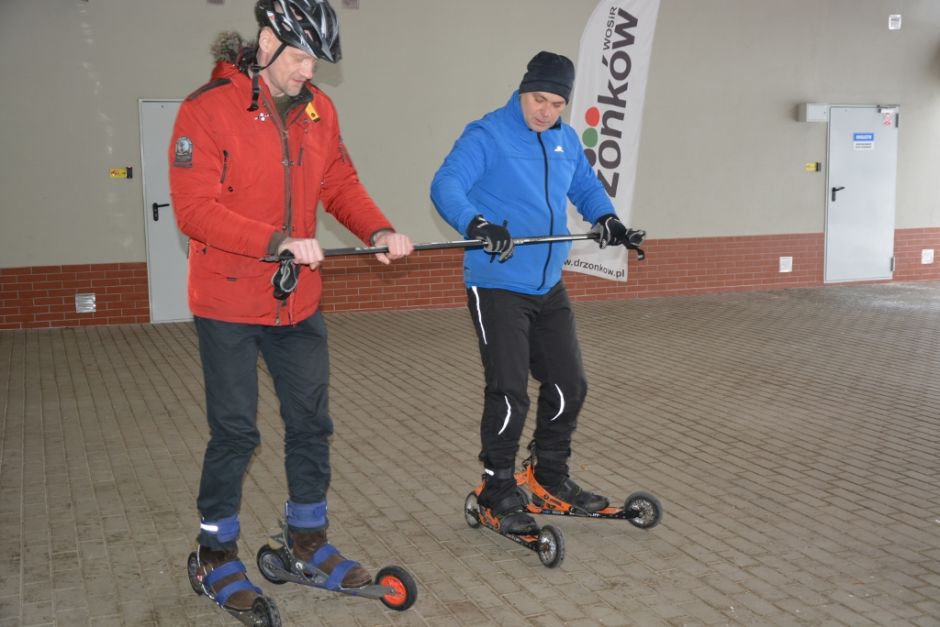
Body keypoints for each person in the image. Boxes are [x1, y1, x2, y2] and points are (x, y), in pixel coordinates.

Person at [169, 0, 413, 614]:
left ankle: (306, 543)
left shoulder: (318, 110)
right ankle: (214, 554)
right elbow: (194, 210)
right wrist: (276, 240)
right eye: (301, 57)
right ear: (267, 41)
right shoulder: (206, 109)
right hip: (227, 300)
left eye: (316, 61)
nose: (310, 71)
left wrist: (379, 230)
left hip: (295, 301)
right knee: (235, 432)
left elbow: (339, 184)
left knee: (311, 424)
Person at [430, 51, 643, 534]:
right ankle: (497, 488)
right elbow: (446, 185)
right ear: (523, 91)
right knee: (509, 392)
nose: (545, 111)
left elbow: (585, 188)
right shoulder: (488, 134)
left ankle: (548, 477)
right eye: (538, 99)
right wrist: (476, 223)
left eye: (556, 103)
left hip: (548, 284)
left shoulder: (565, 139)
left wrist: (606, 218)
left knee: (570, 385)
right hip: (497, 283)